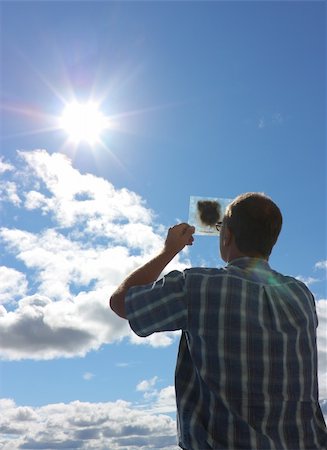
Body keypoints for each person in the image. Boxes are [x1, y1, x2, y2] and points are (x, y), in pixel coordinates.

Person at [110, 192, 327, 450]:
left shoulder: (196, 287)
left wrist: (169, 250)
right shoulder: (302, 295)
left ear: (227, 236)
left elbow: (121, 302)